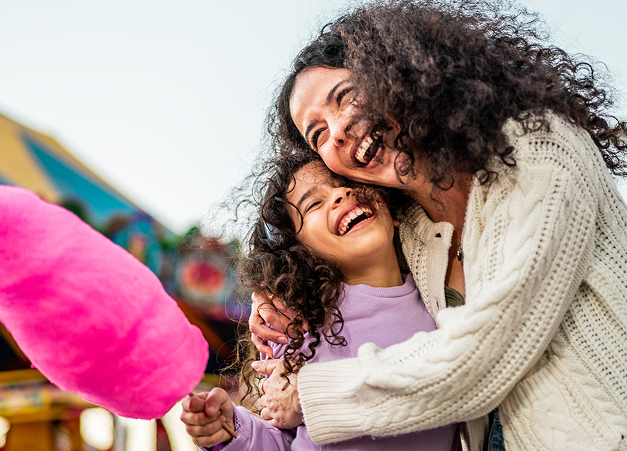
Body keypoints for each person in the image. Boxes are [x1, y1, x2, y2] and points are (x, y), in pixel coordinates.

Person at [248, 0, 627, 451]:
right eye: (318, 134)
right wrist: (276, 296)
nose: (335, 130)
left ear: (399, 73)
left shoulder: (539, 148)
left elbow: (490, 349)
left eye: (343, 97)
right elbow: (335, 261)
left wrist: (314, 397)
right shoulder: (414, 229)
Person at [181, 150, 458, 450]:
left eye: (345, 181)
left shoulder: (438, 294)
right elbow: (285, 440)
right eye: (313, 202)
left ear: (393, 211)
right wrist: (233, 432)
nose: (340, 194)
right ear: (300, 252)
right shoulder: (294, 324)